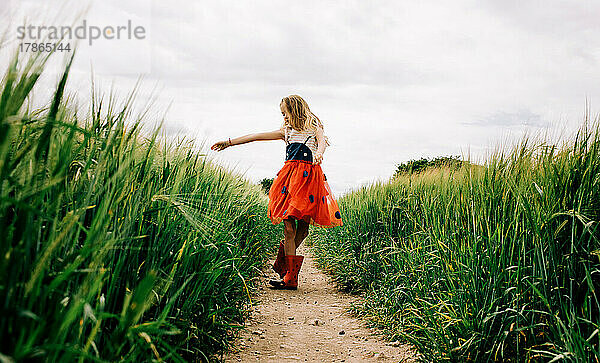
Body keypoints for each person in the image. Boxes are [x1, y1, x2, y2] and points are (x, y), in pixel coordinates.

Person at [211, 95, 343, 290]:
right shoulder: (286, 131)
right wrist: (229, 142)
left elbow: (321, 142)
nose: (284, 117)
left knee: (303, 230)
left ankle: (283, 260)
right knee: (289, 229)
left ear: (295, 109)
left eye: (285, 113)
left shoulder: (315, 125)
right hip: (288, 181)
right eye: (282, 114)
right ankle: (290, 279)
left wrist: (319, 153)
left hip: (309, 181)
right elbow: (255, 136)